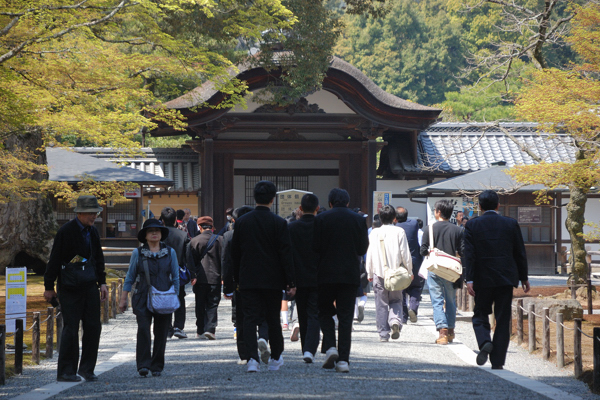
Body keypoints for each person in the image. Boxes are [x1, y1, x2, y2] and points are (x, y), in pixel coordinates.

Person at [232, 180, 296, 373]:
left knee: (249, 319)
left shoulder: (242, 222)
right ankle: (276, 357)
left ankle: (252, 359)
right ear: (273, 199)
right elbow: (286, 253)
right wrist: (290, 281)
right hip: (273, 279)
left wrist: (237, 279)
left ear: (254, 198)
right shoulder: (279, 223)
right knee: (272, 319)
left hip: (248, 278)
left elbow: (235, 253)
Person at [44, 195, 108, 382]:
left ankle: (87, 369)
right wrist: (49, 286)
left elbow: (98, 258)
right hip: (69, 286)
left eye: (95, 212)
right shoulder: (66, 231)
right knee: (71, 329)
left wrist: (102, 282)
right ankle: (66, 371)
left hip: (89, 284)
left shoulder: (93, 232)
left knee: (93, 327)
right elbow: (54, 259)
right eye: (90, 212)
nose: (94, 216)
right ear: (79, 212)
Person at [463, 190, 529, 369]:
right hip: (505, 278)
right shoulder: (511, 224)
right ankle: (498, 361)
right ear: (498, 205)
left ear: (480, 206)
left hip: (482, 278)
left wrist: (469, 279)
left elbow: (469, 255)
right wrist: (524, 277)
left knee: (480, 314)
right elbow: (519, 253)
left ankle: (485, 341)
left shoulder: (472, 225)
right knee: (502, 316)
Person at [313, 188, 369, 373]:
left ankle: (330, 346)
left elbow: (315, 248)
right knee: (346, 317)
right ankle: (343, 361)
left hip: (325, 274)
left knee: (323, 311)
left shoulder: (321, 219)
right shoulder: (359, 220)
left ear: (330, 203)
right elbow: (362, 248)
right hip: (349, 274)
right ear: (347, 202)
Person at [118, 219, 179, 377]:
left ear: (161, 234)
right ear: (145, 235)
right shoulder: (137, 253)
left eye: (157, 231)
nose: (154, 233)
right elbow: (130, 277)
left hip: (165, 296)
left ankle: (157, 365)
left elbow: (176, 277)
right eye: (150, 231)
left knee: (161, 332)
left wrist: (175, 297)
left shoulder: (170, 252)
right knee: (144, 330)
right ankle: (143, 365)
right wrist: (123, 299)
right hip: (142, 296)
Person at [222, 206, 270, 364]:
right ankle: (263, 337)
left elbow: (227, 264)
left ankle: (246, 354)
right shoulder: (264, 234)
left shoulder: (230, 236)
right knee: (263, 313)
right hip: (264, 280)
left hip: (240, 283)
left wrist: (227, 287)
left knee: (242, 318)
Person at [366, 205, 413, 342]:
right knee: (396, 300)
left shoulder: (374, 233)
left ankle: (383, 334)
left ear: (380, 218)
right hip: (396, 274)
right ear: (394, 218)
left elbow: (370, 254)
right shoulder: (400, 231)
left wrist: (369, 272)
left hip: (379, 273)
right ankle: (395, 321)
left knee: (381, 304)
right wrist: (409, 271)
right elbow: (405, 254)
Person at [420, 199, 463, 345]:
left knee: (437, 301)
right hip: (451, 271)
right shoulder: (458, 230)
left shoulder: (429, 228)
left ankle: (442, 332)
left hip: (435, 269)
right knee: (451, 301)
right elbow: (462, 251)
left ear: (438, 212)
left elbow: (423, 251)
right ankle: (451, 331)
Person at [288, 193, 321, 363]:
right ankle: (310, 349)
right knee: (314, 313)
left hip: (298, 277)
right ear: (317, 208)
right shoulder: (322, 226)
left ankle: (305, 349)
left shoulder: (292, 228)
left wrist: (289, 280)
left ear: (300, 208)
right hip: (318, 277)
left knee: (302, 313)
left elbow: (288, 255)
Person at [187, 216, 222, 340]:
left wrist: (192, 275)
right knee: (213, 304)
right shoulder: (220, 240)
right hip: (216, 277)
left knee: (200, 304)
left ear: (200, 227)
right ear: (212, 227)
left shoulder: (194, 241)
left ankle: (200, 330)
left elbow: (190, 261)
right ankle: (210, 330)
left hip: (200, 278)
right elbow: (224, 260)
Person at [160, 207, 191, 339]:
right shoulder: (183, 235)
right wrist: (192, 273)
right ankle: (178, 326)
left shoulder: (158, 235)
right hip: (178, 270)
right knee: (179, 297)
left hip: (160, 271)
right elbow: (188, 256)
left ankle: (167, 328)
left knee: (163, 298)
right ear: (175, 221)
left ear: (162, 220)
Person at [395, 206, 424, 323]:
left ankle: (404, 316)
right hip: (414, 260)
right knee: (415, 287)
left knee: (401, 288)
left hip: (399, 261)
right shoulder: (413, 224)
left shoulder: (395, 228)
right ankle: (413, 307)